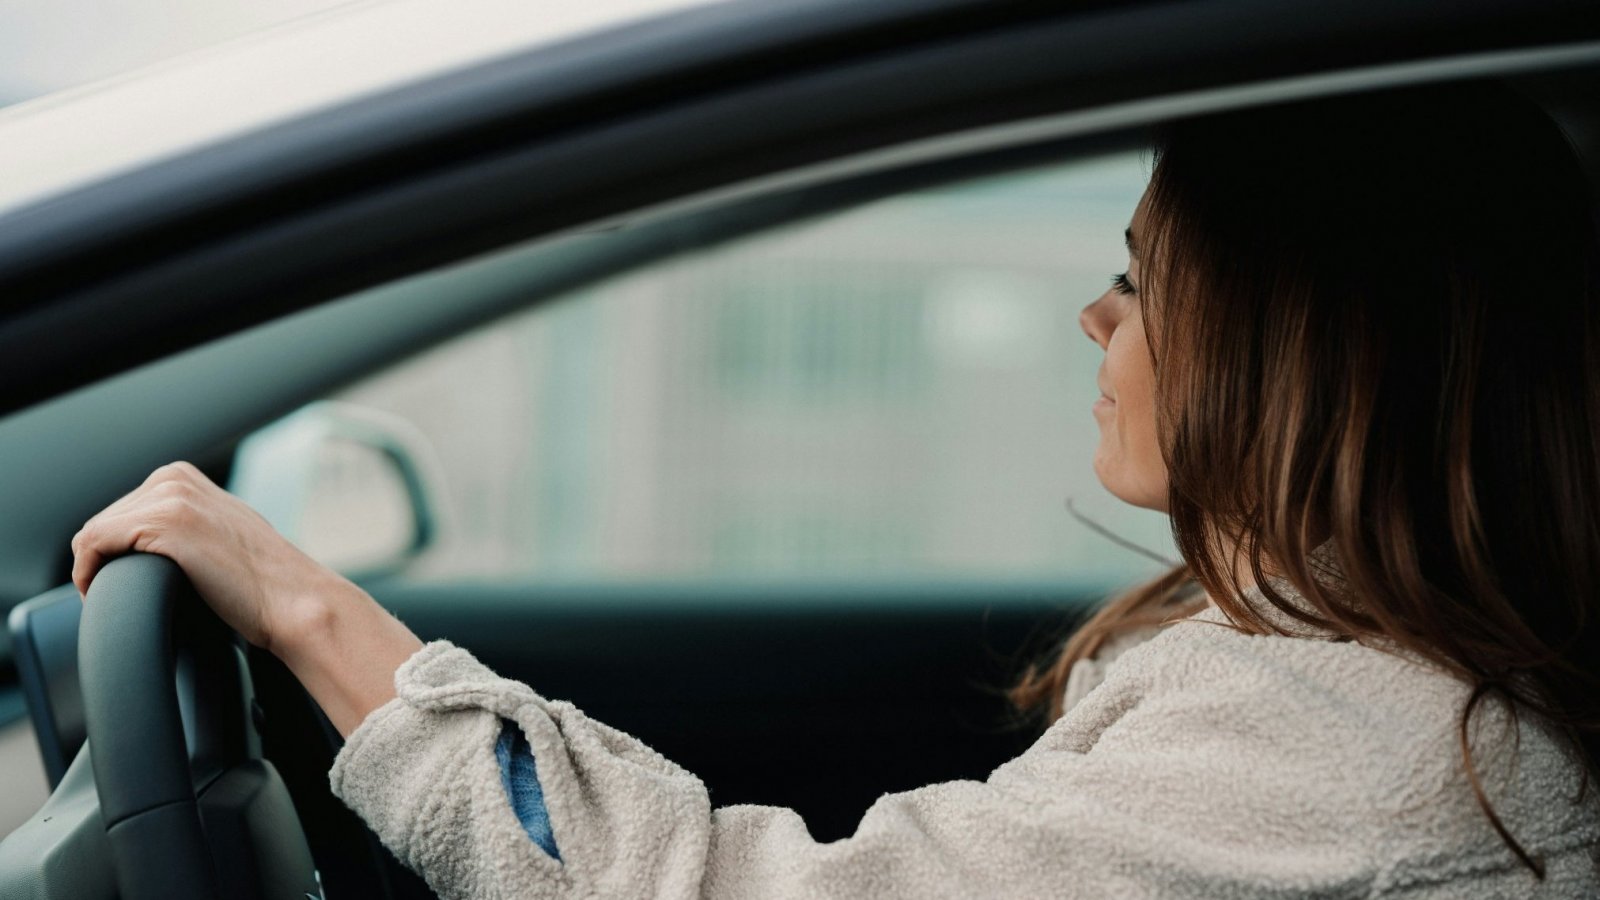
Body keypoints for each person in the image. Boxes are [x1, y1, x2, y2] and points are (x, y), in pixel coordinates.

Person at [72, 79, 1600, 897]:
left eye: (1141, 277)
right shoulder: (1364, 697)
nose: (1099, 317)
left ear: (1299, 348)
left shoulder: (1361, 750)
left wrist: (305, 609)